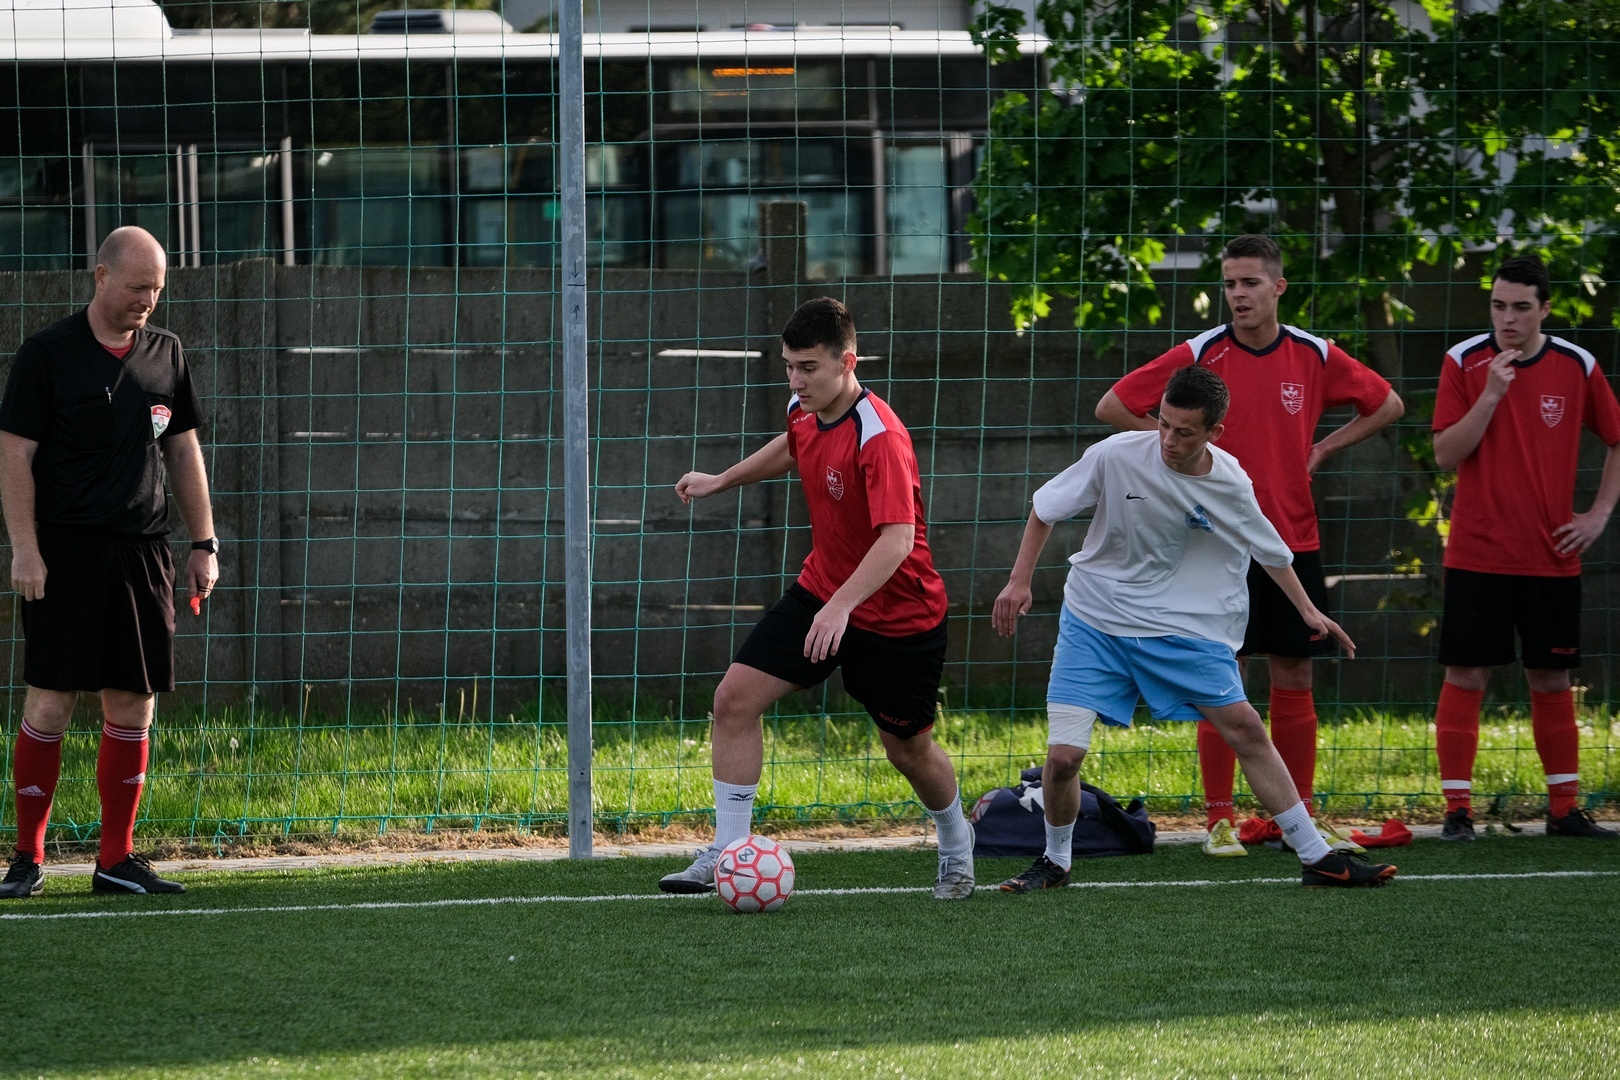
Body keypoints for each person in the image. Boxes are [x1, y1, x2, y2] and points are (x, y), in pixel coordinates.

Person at [994, 365, 1397, 890]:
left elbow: (1270, 549)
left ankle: (1318, 857)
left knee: (1246, 728)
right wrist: (1018, 581)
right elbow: (1045, 508)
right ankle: (1055, 861)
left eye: (1184, 432)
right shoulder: (1116, 455)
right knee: (1064, 758)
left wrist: (1307, 610)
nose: (1168, 439)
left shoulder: (1229, 481)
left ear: (1214, 432)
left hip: (1183, 628)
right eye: (1163, 423)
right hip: (1094, 620)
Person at [1095, 234, 1403, 857]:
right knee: (1220, 676)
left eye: (1250, 283)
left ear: (1278, 287)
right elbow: (1113, 405)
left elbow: (1388, 404)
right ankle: (1219, 821)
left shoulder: (1314, 354)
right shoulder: (1201, 353)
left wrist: (1323, 447)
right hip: (1212, 546)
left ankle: (1300, 819)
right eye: (1230, 283)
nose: (1238, 294)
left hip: (1291, 538)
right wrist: (1174, 452)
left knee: (1294, 670)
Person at [660, 297, 975, 899]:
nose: (796, 380)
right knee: (733, 701)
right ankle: (729, 850)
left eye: (808, 367)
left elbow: (897, 540)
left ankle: (957, 845)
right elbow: (792, 445)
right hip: (822, 591)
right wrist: (722, 479)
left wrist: (842, 607)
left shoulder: (880, 436)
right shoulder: (803, 409)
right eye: (788, 366)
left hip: (898, 616)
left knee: (908, 750)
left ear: (847, 362)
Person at [0, 226, 218, 899]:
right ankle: (27, 859)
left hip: (142, 554)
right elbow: (14, 454)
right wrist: (26, 547)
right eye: (137, 287)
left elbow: (181, 449)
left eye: (157, 289)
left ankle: (115, 860)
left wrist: (203, 542)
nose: (147, 300)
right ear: (100, 277)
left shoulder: (165, 352)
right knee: (51, 701)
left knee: (132, 702)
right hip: (63, 554)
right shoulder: (47, 354)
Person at [1431, 255, 1620, 841]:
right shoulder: (1464, 361)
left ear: (1545, 309)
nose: (1507, 318)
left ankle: (1564, 809)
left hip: (1550, 557)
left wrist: (1598, 514)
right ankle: (1457, 811)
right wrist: (1490, 396)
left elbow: (1617, 438)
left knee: (1552, 679)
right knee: (1466, 675)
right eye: (1498, 306)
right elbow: (1445, 454)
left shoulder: (1576, 365)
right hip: (1476, 554)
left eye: (1520, 307)